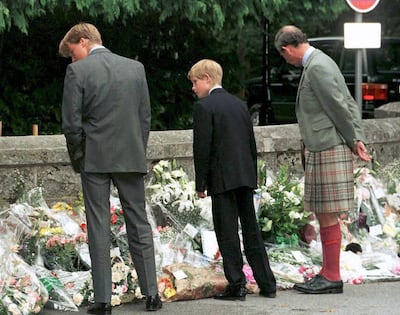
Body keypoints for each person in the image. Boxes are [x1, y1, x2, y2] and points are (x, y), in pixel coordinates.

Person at [59, 23, 162, 313]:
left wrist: (80, 157)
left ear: (83, 41)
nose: (72, 58)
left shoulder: (78, 72)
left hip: (95, 157)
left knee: (98, 224)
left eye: (72, 52)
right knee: (139, 222)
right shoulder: (135, 69)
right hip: (130, 154)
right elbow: (145, 117)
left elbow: (71, 125)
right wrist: (137, 150)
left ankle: (103, 300)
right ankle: (152, 294)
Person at [274, 25, 371, 294]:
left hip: (328, 145)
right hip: (326, 144)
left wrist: (355, 140)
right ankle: (329, 273)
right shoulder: (320, 61)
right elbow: (348, 101)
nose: (287, 61)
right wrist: (357, 137)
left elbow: (339, 106)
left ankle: (332, 276)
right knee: (324, 211)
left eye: (284, 57)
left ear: (287, 49)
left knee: (327, 213)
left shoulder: (316, 66)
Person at [188, 59, 276, 301]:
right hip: (244, 175)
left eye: (195, 82)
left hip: (222, 178)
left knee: (227, 232)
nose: (193, 88)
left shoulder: (205, 107)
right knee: (251, 230)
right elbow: (250, 143)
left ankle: (236, 283)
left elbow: (202, 148)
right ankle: (267, 282)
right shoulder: (239, 104)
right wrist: (252, 175)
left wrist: (200, 184)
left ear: (206, 78)